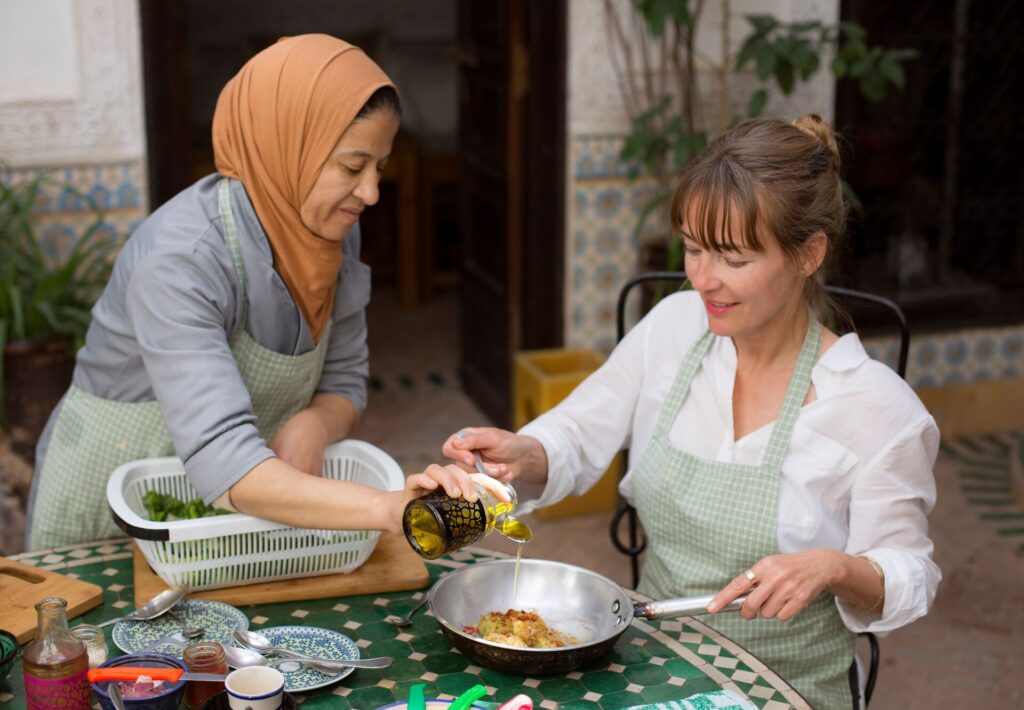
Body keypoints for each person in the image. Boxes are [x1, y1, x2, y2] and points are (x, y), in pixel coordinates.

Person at [430, 115, 941, 709]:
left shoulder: (875, 408)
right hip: (653, 664)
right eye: (694, 249)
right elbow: (575, 434)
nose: (703, 279)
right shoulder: (675, 327)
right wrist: (524, 453)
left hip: (785, 689)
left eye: (734, 259)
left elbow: (910, 574)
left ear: (809, 255)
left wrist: (836, 568)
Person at [27, 34, 457, 551]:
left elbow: (344, 380)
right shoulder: (182, 260)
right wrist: (386, 508)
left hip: (241, 512)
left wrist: (314, 425)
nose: (370, 193)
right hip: (114, 517)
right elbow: (226, 460)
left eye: (380, 167)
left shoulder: (332, 227)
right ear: (287, 145)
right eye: (351, 166)